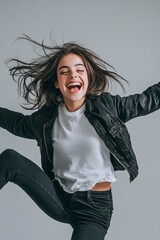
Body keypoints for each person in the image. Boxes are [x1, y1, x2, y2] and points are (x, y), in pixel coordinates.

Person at [0, 35, 160, 240]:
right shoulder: (47, 119)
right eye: (64, 72)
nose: (72, 75)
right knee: (10, 160)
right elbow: (17, 123)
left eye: (79, 70)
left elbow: (149, 100)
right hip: (60, 198)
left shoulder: (107, 107)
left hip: (94, 209)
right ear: (57, 83)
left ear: (88, 78)